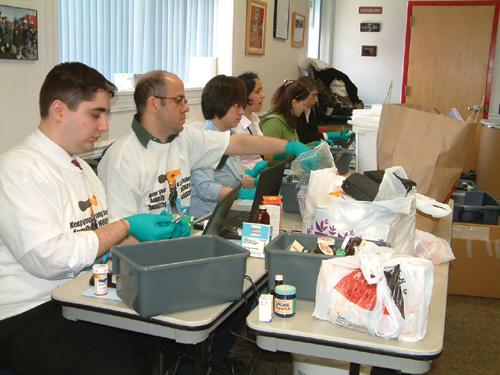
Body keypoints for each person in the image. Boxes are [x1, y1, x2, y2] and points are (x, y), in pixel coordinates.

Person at [0, 62, 187, 375]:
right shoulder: (19, 169)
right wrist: (127, 226)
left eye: (106, 115)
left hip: (83, 292)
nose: (104, 127)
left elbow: (104, 238)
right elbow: (49, 260)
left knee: (164, 337)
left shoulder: (81, 168)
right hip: (29, 312)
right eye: (95, 114)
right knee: (118, 366)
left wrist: (153, 238)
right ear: (58, 110)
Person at [98, 70, 314, 221]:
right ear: (153, 104)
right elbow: (120, 234)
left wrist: (289, 146)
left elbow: (236, 142)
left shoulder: (182, 138)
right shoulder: (123, 159)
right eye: (179, 101)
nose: (186, 108)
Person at [190, 75, 268, 219]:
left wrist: (256, 183)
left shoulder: (230, 136)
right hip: (207, 217)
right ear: (219, 104)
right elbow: (205, 188)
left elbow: (238, 177)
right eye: (237, 106)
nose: (242, 112)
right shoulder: (203, 141)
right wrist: (240, 193)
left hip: (227, 211)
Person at [296, 75, 352, 146]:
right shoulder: (295, 113)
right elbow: (302, 139)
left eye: (317, 96)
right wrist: (327, 135)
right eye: (314, 96)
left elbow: (313, 135)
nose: (316, 100)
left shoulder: (309, 111)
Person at [234, 71, 265, 171]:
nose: (263, 95)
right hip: (246, 180)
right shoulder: (236, 125)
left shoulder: (254, 118)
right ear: (245, 95)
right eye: (257, 91)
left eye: (262, 90)